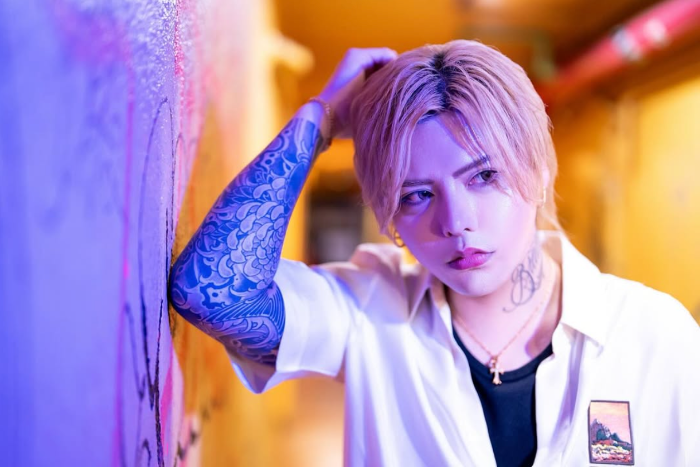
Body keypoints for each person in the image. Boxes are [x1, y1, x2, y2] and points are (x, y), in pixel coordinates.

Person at [168, 40, 700, 466]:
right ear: (390, 215)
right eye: (416, 195)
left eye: (484, 176)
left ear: (539, 172)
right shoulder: (368, 313)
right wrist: (322, 118)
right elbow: (212, 292)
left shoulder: (653, 334)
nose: (455, 222)